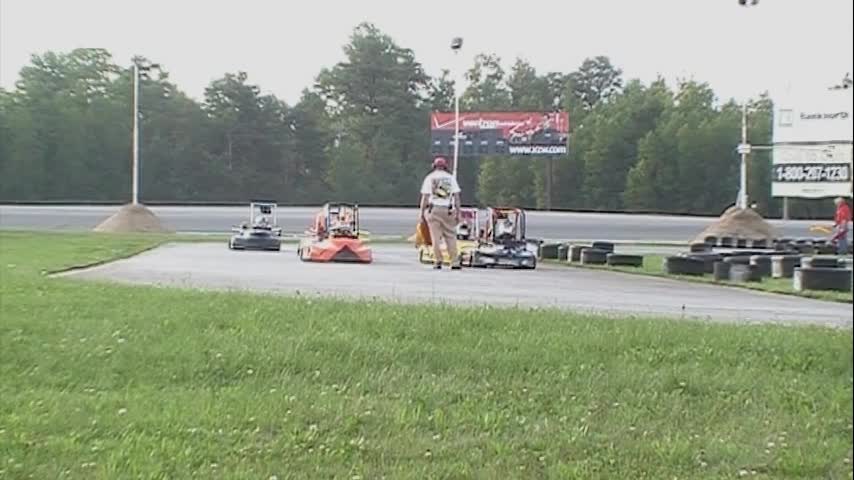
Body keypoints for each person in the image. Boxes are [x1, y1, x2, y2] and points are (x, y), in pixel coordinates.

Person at [419, 157, 462, 269]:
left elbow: (425, 197)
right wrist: (458, 212)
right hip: (447, 210)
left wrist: (421, 213)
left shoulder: (430, 178)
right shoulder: (450, 178)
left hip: (434, 210)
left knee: (435, 237)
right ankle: (454, 262)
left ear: (434, 166)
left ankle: (438, 261)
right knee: (451, 236)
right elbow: (456, 197)